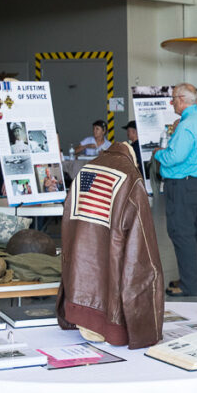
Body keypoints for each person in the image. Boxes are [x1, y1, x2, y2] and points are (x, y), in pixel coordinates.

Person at [57, 142, 164, 349]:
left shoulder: (87, 171)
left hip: (77, 301)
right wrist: (145, 327)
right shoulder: (130, 178)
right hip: (109, 315)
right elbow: (140, 254)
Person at [154, 83, 197, 298]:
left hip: (182, 185)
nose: (172, 102)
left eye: (173, 98)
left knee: (182, 234)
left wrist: (159, 154)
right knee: (194, 234)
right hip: (195, 184)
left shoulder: (187, 124)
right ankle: (192, 279)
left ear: (181, 99)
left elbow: (174, 156)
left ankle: (190, 286)